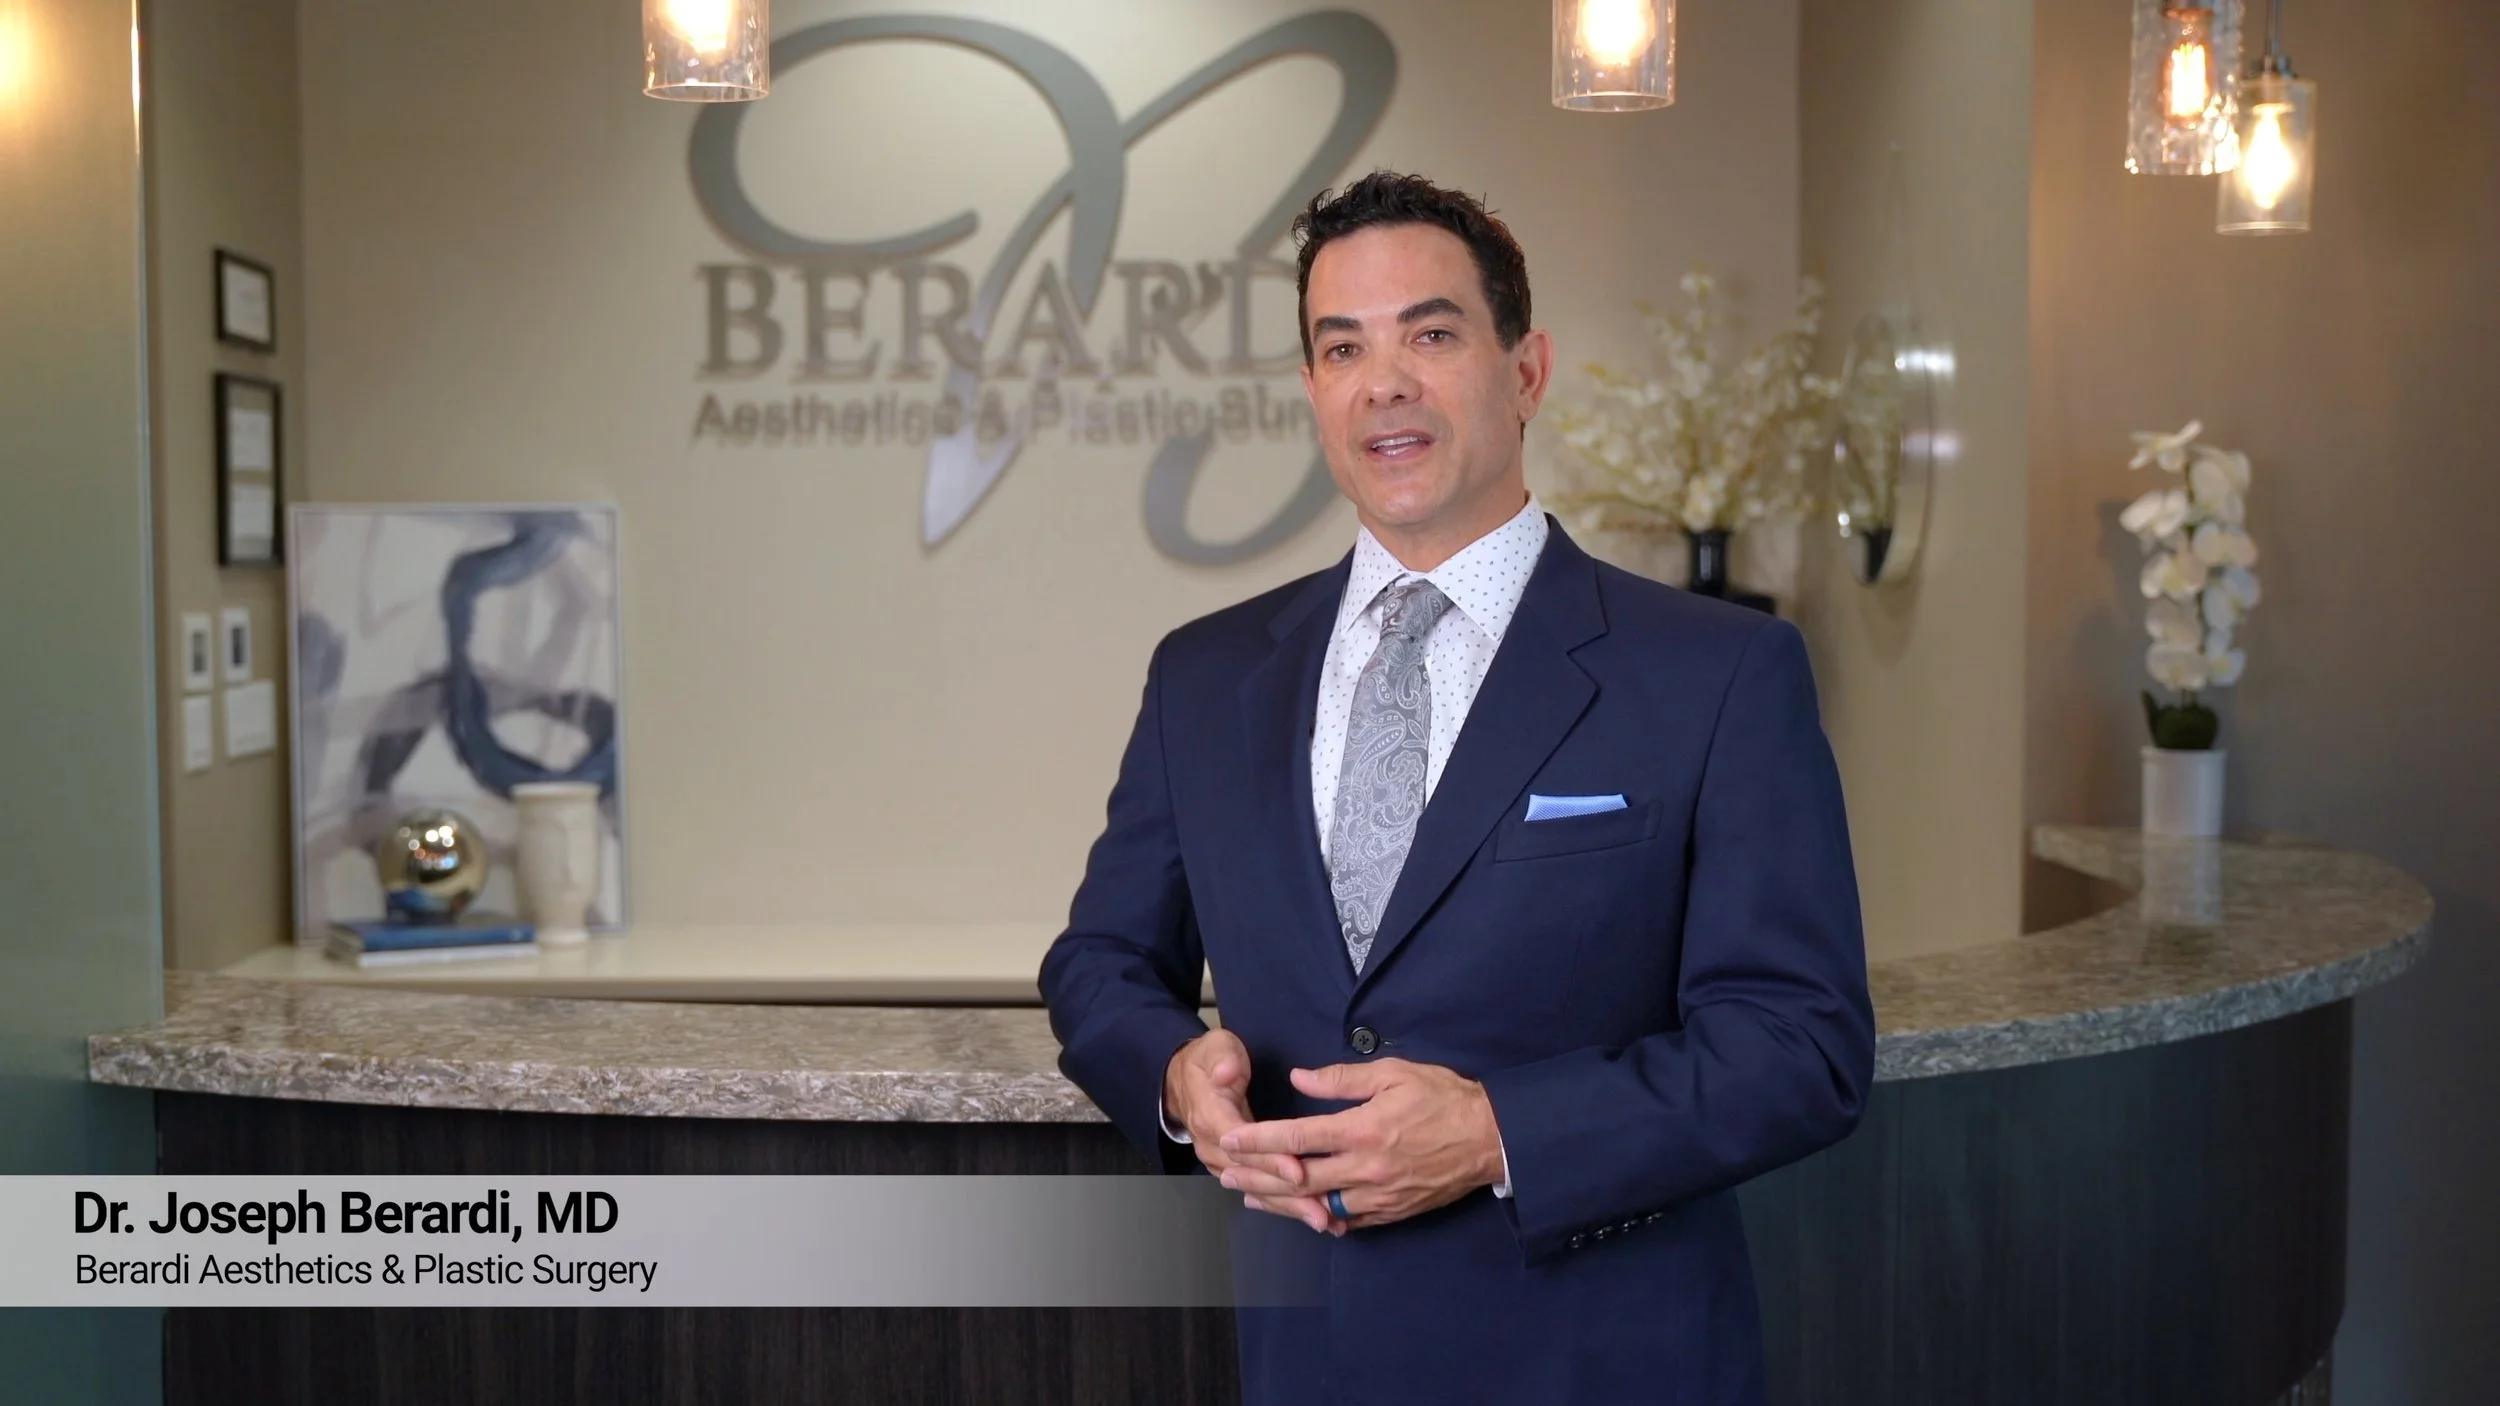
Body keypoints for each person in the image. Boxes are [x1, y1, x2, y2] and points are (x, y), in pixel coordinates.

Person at [1038, 171, 1874, 1405]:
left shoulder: (1718, 672)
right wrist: (1175, 1076)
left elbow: (1801, 1045)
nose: (1384, 382)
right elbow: (1099, 961)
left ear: (1525, 370)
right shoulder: (1205, 678)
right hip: (1308, 1359)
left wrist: (1499, 1132)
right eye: (1342, 347)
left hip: (1604, 1363)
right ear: (1315, 390)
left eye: (1430, 334)